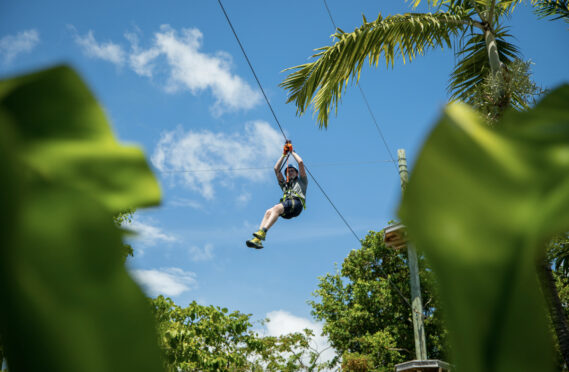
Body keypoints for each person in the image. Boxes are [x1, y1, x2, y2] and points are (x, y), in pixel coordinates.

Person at [246, 141, 307, 249]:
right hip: (288, 209)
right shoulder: (285, 185)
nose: (290, 172)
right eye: (288, 171)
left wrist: (292, 152)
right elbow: (276, 169)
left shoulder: (302, 181)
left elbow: (300, 162)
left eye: (293, 171)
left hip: (296, 204)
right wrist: (284, 155)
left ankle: (263, 232)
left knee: (276, 208)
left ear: (297, 173)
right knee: (268, 212)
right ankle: (258, 239)